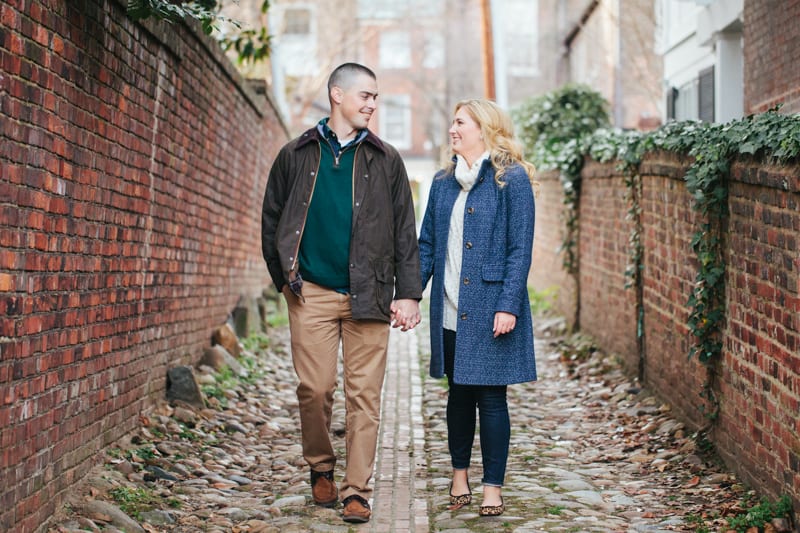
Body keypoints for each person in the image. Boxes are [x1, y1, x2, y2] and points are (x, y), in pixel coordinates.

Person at [261, 62, 422, 524]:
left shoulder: (386, 159)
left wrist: (408, 293)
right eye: (365, 95)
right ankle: (320, 467)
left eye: (376, 97)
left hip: (369, 296)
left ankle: (357, 490)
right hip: (310, 292)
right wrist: (285, 280)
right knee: (315, 388)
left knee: (364, 396)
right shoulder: (296, 154)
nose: (372, 104)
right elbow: (272, 219)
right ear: (337, 94)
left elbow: (404, 232)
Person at [418, 98, 537, 517]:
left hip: (490, 310)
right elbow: (427, 245)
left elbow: (519, 250)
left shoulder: (511, 181)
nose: (453, 130)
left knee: (490, 397)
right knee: (458, 395)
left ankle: (492, 486)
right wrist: (410, 294)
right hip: (450, 308)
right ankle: (458, 474)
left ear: (484, 129)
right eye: (452, 122)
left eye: (460, 123)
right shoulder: (441, 182)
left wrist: (509, 305)